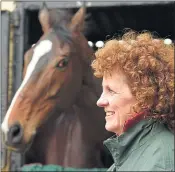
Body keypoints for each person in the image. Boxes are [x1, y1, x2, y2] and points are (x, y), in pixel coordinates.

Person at [22, 31, 174, 171]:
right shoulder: (134, 153)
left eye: (111, 91)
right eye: (103, 91)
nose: (100, 101)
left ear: (145, 95)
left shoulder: (160, 160)